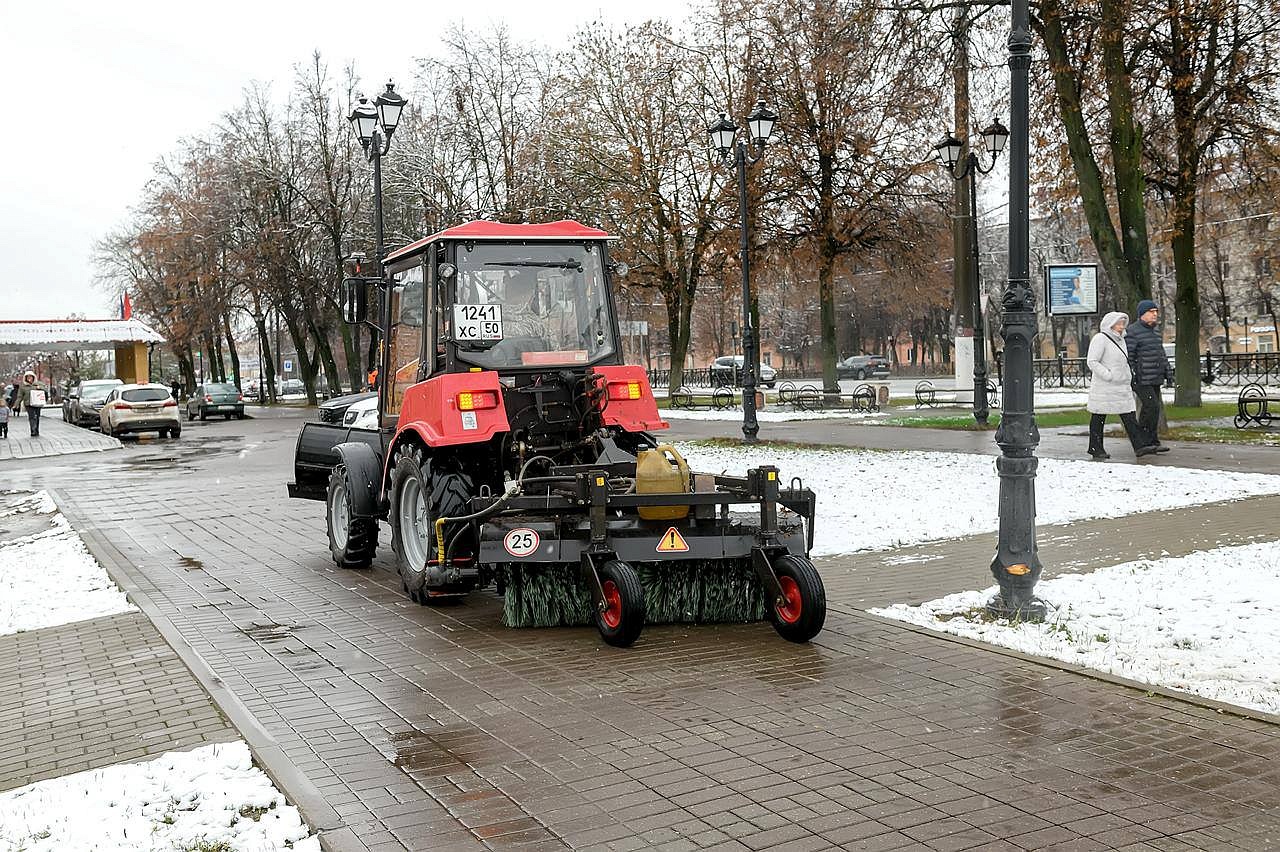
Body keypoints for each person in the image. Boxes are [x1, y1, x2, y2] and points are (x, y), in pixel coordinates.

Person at [1085, 312, 1149, 459]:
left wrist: (1126, 376)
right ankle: (1096, 448)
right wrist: (1108, 375)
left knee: (1129, 415)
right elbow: (1092, 361)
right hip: (1104, 387)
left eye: (1123, 323)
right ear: (1110, 324)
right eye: (1118, 323)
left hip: (1121, 386)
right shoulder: (1100, 339)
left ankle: (1140, 446)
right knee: (1099, 416)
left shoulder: (1121, 340)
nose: (1121, 326)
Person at [1125, 299, 1173, 454]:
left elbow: (1161, 353)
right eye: (1151, 312)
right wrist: (1133, 374)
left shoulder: (1156, 331)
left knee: (1152, 409)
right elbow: (1129, 356)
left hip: (1155, 376)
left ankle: (1151, 442)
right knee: (1151, 407)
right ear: (1142, 314)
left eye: (1156, 312)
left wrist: (1168, 372)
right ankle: (1144, 441)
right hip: (1141, 377)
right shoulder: (1132, 331)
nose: (1155, 314)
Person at [16, 371, 48, 438]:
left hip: (37, 403)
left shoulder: (39, 384)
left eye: (30, 376)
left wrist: (40, 387)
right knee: (32, 416)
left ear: (33, 377)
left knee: (37, 417)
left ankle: (36, 430)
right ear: (25, 378)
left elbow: (45, 390)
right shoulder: (23, 386)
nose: (29, 378)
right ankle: (33, 431)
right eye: (27, 377)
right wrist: (16, 404)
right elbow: (20, 396)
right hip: (28, 404)